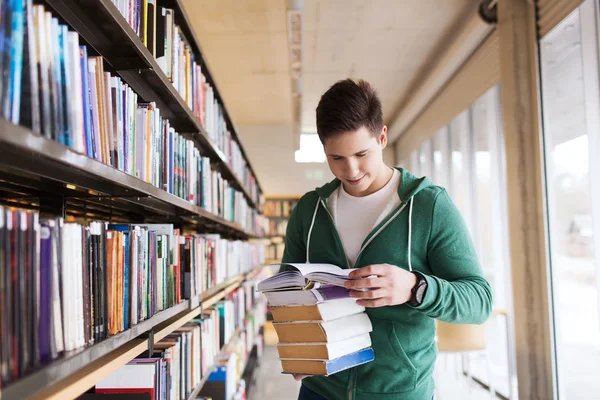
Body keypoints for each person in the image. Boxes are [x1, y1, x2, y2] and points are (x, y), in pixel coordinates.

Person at [280, 78, 492, 400]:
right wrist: (298, 342)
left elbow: (478, 301)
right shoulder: (309, 209)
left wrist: (415, 287)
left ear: (382, 137)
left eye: (361, 153)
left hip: (398, 391)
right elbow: (288, 292)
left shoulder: (428, 205)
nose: (351, 170)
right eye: (336, 158)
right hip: (320, 390)